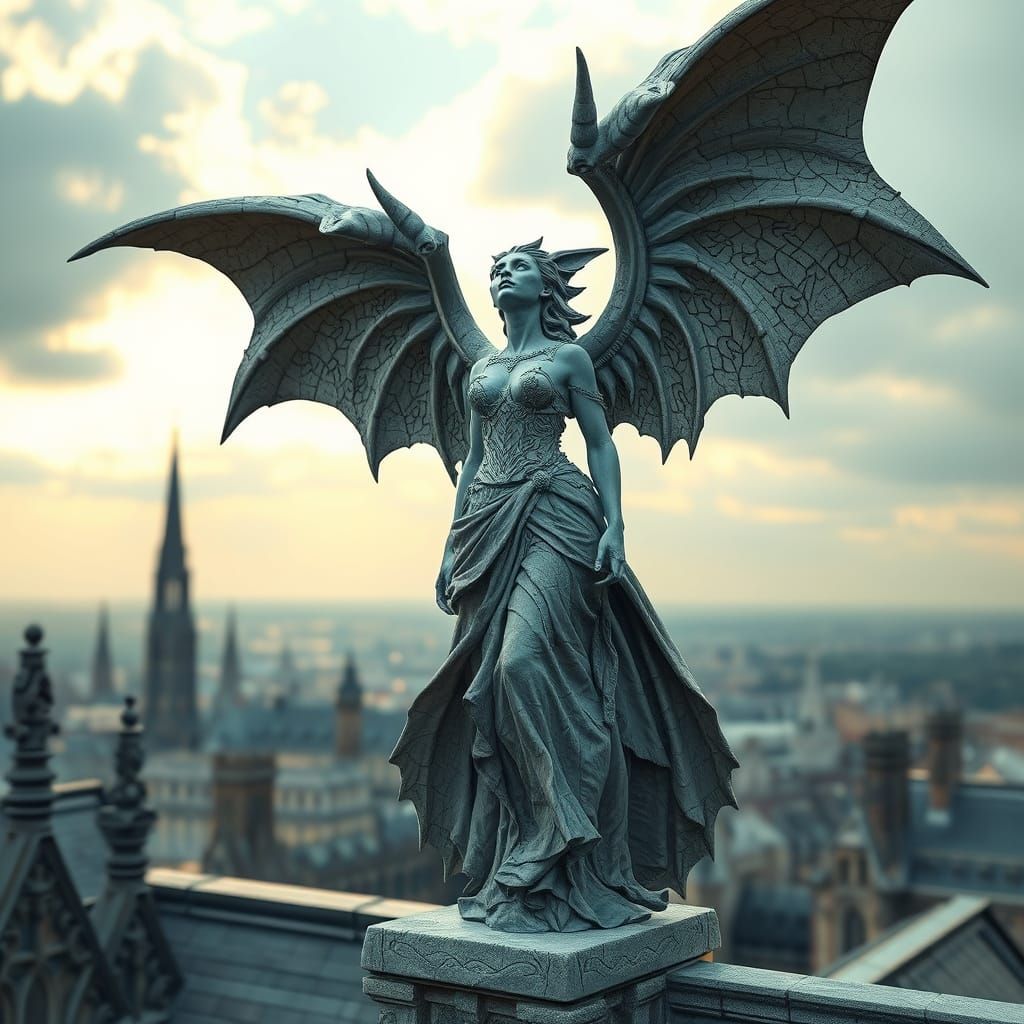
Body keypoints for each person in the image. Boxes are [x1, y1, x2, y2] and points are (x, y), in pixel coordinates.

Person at [391, 239, 738, 933]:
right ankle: (526, 847)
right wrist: (448, 543)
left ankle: (563, 834)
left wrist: (616, 526)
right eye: (493, 269)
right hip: (488, 525)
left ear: (545, 286)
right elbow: (472, 459)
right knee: (488, 684)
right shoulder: (482, 367)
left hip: (557, 513)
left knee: (520, 666)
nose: (499, 274)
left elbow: (599, 442)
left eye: (515, 266)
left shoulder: (568, 359)